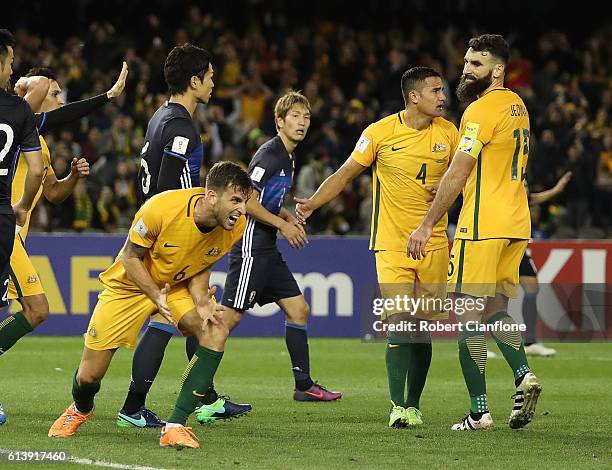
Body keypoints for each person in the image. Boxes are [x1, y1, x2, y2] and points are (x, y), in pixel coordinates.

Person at [48, 161, 252, 450]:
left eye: (244, 201)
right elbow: (130, 257)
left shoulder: (234, 225)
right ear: (211, 197)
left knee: (215, 329)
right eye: (235, 200)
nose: (242, 209)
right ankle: (80, 408)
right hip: (130, 285)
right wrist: (156, 295)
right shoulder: (162, 208)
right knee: (89, 376)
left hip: (175, 286)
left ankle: (175, 425)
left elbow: (202, 259)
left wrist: (202, 299)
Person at [296, 67, 459, 427]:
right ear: (414, 96)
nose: (443, 96)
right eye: (436, 90)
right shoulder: (379, 133)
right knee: (399, 321)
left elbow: (465, 177)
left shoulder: (449, 132)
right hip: (392, 245)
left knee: (421, 328)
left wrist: (451, 189)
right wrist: (312, 204)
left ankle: (414, 404)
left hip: (434, 244)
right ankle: (396, 406)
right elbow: (344, 174)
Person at [407, 34, 541, 431]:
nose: (466, 69)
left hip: (481, 226)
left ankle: (480, 411)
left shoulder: (479, 111)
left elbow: (462, 166)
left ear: (497, 71)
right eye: (466, 62)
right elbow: (490, 167)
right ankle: (522, 374)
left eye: (476, 64)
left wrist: (429, 222)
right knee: (496, 310)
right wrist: (456, 184)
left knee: (466, 316)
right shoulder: (518, 106)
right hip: (515, 224)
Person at [119, 43, 250, 428]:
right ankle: (133, 405)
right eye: (209, 76)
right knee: (171, 318)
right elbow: (169, 194)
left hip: (153, 231)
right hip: (167, 236)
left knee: (195, 318)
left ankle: (205, 397)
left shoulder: (161, 116)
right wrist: (173, 236)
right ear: (194, 81)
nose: (213, 83)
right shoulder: (181, 127)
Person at [0, 64, 128, 425]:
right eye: (56, 94)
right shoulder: (22, 118)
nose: (59, 100)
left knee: (37, 310)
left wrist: (72, 176)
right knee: (37, 308)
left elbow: (53, 192)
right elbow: (39, 84)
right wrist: (107, 96)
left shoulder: (34, 139)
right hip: (5, 234)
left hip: (12, 237)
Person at [216, 90, 343, 414]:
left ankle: (304, 386)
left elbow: (267, 202)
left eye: (307, 117)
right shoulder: (270, 154)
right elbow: (247, 201)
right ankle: (203, 393)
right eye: (295, 116)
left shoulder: (288, 157)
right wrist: (284, 226)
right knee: (227, 319)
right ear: (279, 121)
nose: (302, 122)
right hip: (250, 246)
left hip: (267, 248)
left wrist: (285, 215)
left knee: (299, 310)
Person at [0, 29, 44, 424]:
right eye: (11, 61)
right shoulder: (17, 111)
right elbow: (36, 169)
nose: (12, 67)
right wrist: (23, 206)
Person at [521, 171, 572, 357]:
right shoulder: (500, 182)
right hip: (501, 243)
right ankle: (475, 341)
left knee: (531, 289)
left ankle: (530, 341)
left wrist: (556, 190)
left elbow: (531, 198)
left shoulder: (519, 183)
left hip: (517, 247)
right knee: (492, 294)